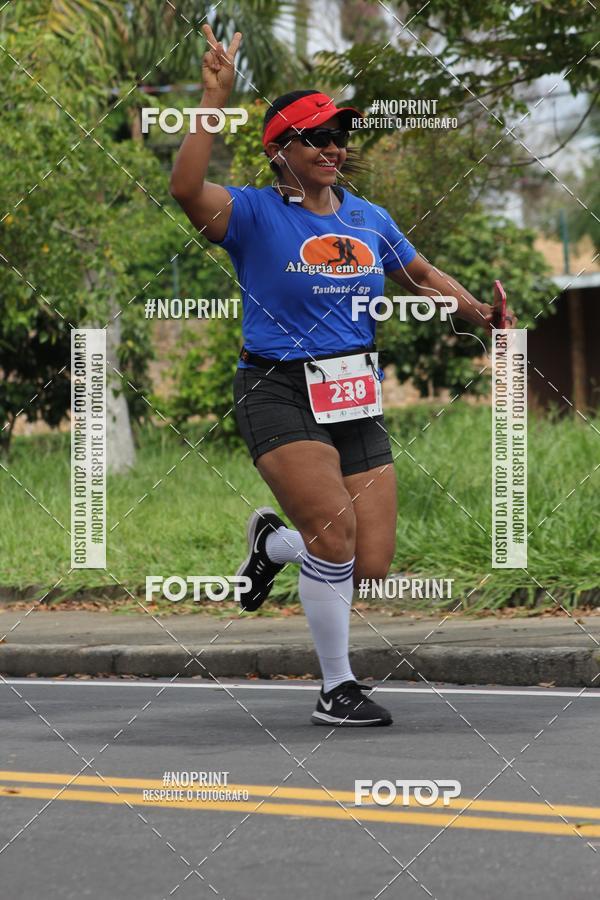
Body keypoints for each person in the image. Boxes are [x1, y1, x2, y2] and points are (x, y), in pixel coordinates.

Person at [170, 25, 517, 727]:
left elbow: (419, 274)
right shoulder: (253, 213)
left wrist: (480, 313)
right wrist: (213, 98)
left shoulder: (369, 218)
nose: (334, 146)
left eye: (340, 134)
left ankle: (272, 545)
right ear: (281, 150)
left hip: (353, 390)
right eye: (316, 135)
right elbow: (183, 187)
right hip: (277, 387)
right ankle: (337, 688)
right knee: (334, 538)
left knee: (371, 561)